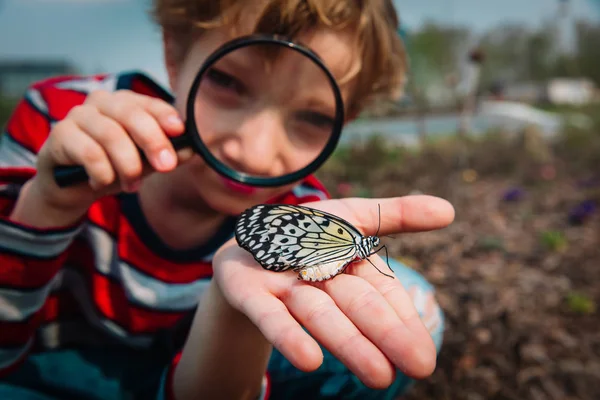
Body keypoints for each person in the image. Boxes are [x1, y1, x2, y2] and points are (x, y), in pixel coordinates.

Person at [0, 1, 454, 399]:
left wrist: (232, 312)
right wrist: (48, 203)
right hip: (45, 362)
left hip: (191, 373)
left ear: (344, 121)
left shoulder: (296, 214)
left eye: (313, 117)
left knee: (406, 312)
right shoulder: (62, 128)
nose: (253, 153)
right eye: (227, 82)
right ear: (174, 56)